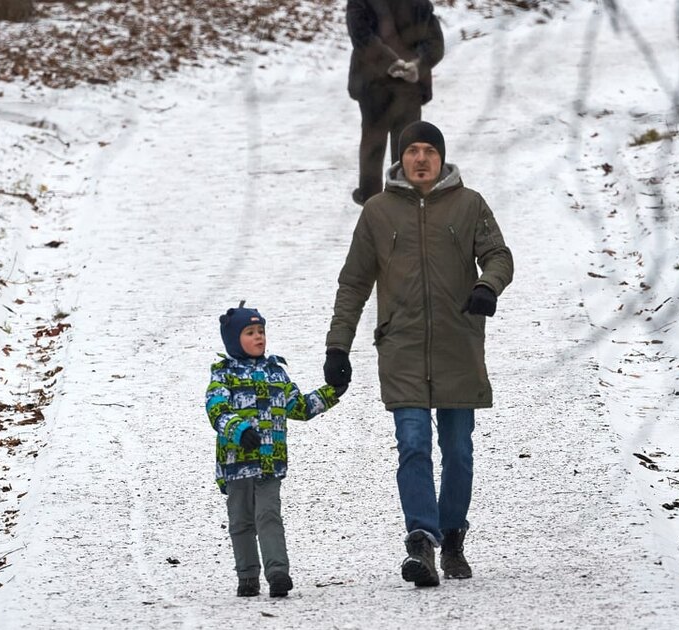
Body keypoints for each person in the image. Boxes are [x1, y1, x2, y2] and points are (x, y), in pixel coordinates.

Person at [324, 121, 513, 586]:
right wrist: (337, 346)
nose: (422, 159)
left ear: (442, 158)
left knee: (458, 450)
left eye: (430, 150)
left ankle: (452, 536)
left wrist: (488, 286)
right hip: (402, 347)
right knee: (412, 445)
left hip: (458, 344)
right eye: (413, 151)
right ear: (401, 158)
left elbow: (499, 255)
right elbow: (353, 283)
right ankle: (421, 541)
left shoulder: (469, 204)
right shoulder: (377, 211)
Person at [206, 303, 344, 597]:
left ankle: (278, 573)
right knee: (241, 521)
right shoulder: (224, 375)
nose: (259, 338)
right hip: (236, 464)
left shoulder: (275, 373)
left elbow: (300, 407)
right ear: (233, 339)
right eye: (250, 332)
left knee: (269, 516)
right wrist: (239, 431)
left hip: (269, 463)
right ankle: (247, 575)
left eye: (261, 331)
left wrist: (332, 391)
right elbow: (216, 411)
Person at [346, 0, 445, 206]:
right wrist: (416, 65)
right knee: (407, 141)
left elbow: (361, 36)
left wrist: (390, 62)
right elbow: (435, 43)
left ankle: (370, 196)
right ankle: (403, 196)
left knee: (374, 139)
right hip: (410, 84)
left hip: (372, 80)